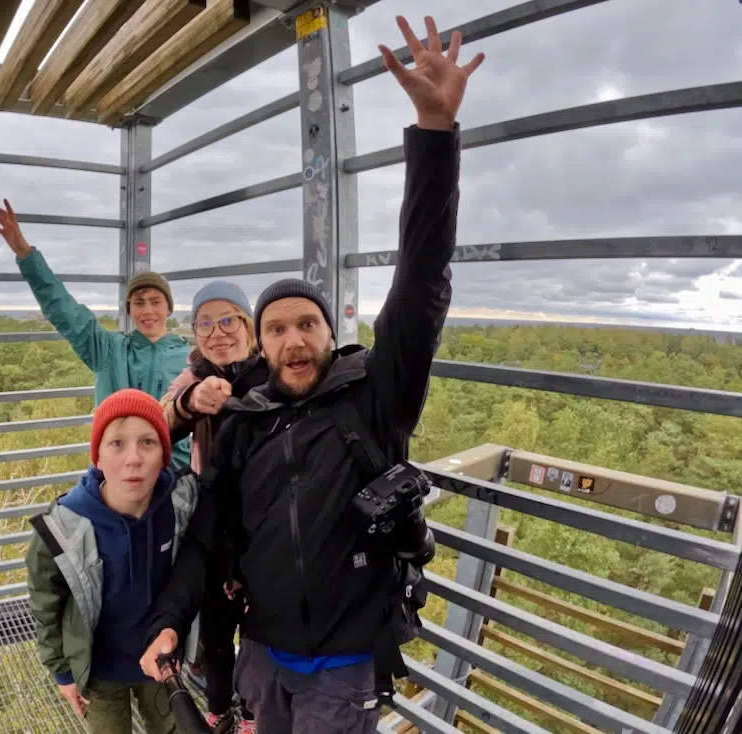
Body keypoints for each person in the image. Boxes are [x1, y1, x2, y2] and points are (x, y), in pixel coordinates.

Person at [138, 15, 482, 733]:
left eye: (307, 325)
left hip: (346, 661)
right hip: (264, 653)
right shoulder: (246, 418)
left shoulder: (375, 397)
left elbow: (420, 283)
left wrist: (434, 133)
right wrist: (170, 622)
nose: (293, 340)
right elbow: (206, 533)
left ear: (330, 333)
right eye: (277, 329)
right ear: (261, 345)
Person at [25, 389, 199, 734]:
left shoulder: (179, 505)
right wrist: (62, 671)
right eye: (117, 443)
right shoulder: (65, 527)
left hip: (161, 660)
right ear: (98, 457)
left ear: (164, 455)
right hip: (99, 670)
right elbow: (46, 604)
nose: (133, 458)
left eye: (148, 443)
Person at [0, 200, 191, 468]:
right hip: (116, 473)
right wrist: (26, 255)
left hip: (173, 474)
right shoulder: (108, 349)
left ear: (169, 308)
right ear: (129, 310)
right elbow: (64, 310)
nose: (148, 310)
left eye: (156, 301)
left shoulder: (191, 359)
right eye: (139, 302)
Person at [157, 280, 267, 732]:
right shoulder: (194, 375)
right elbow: (158, 423)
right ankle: (222, 710)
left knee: (261, 627)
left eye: (228, 320)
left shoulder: (271, 372)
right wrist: (189, 403)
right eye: (205, 322)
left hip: (265, 522)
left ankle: (256, 710)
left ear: (249, 326)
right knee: (218, 630)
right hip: (215, 523)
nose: (217, 332)